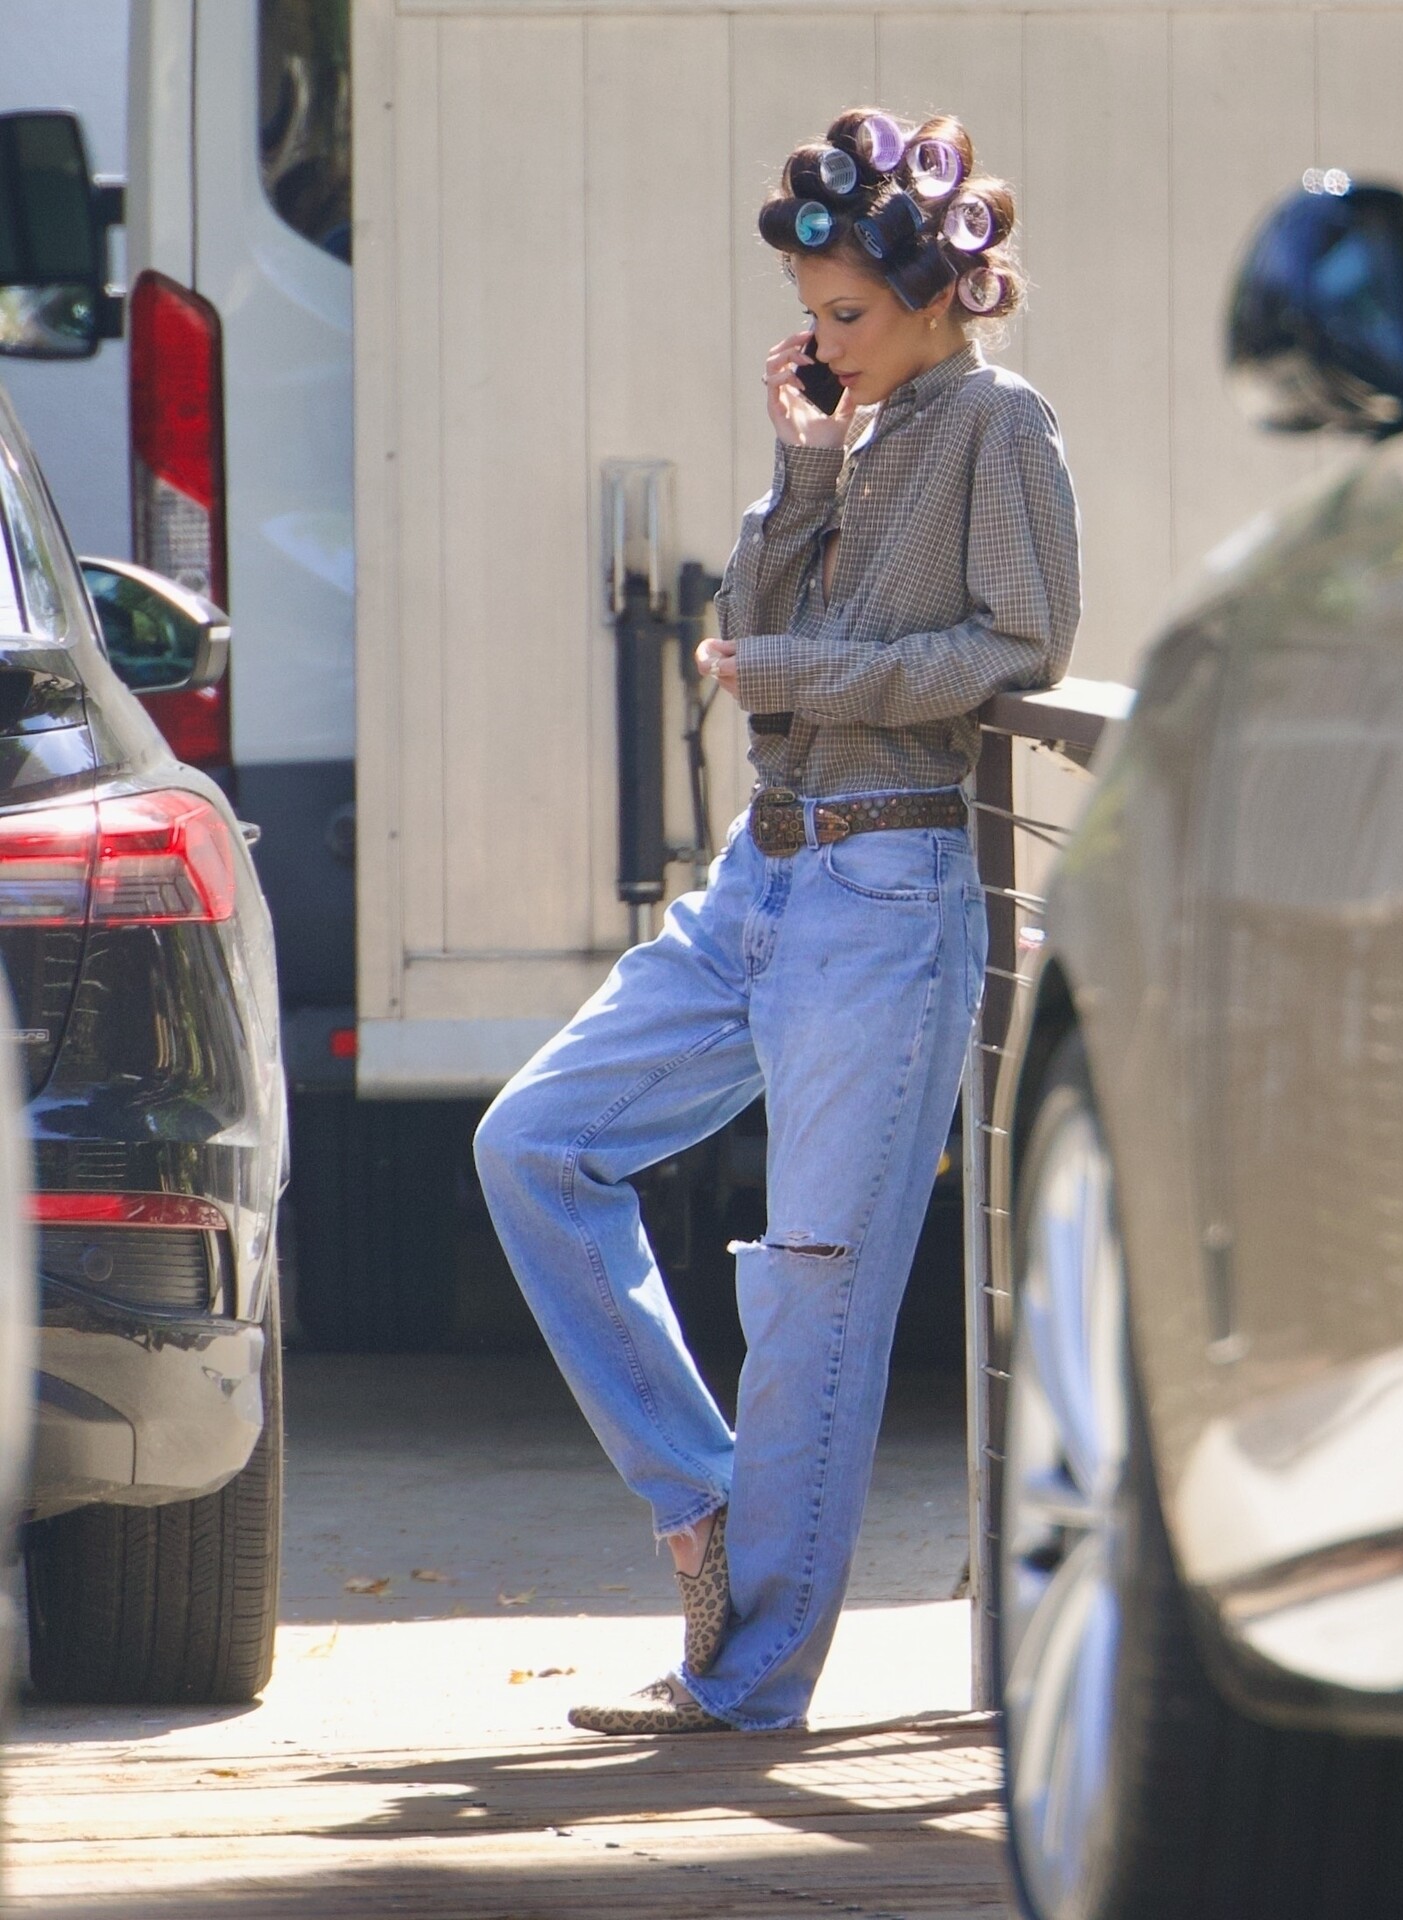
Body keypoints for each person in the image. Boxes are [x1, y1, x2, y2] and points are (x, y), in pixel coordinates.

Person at [473, 105, 1080, 1735]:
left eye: (850, 314)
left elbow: (1017, 647)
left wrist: (810, 672)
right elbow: (749, 631)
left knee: (813, 1290)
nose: (825, 343)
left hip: (885, 892)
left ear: (942, 295)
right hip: (761, 872)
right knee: (534, 1144)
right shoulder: (852, 431)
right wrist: (800, 470)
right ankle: (701, 1504)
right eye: (813, 315)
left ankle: (745, 1681)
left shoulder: (997, 425)